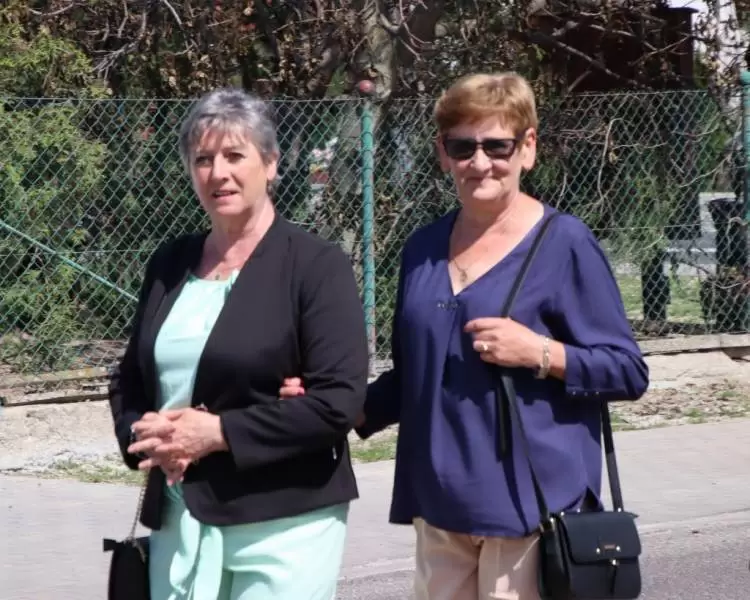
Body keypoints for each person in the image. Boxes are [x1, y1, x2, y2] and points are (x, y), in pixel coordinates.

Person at [280, 72, 649, 599]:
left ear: (527, 148)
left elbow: (627, 370)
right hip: (440, 505)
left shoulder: (564, 243)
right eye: (462, 147)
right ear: (443, 153)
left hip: (531, 508)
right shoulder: (423, 249)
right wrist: (335, 407)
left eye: (497, 146)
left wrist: (539, 352)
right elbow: (415, 373)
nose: (479, 162)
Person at [108, 87, 369, 600]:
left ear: (270, 164)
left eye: (234, 155)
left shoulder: (316, 265)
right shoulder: (170, 263)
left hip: (283, 521)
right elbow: (128, 379)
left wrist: (218, 432)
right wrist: (145, 438)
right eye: (203, 159)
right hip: (181, 519)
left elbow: (338, 402)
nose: (218, 173)